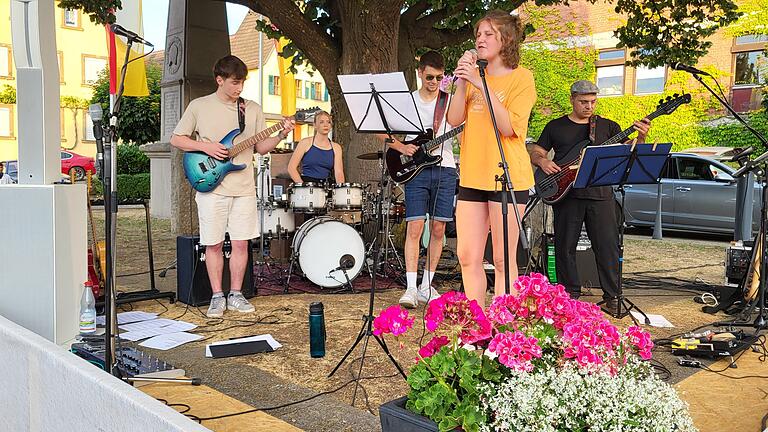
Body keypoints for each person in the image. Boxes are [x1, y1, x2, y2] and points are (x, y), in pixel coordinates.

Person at [171, 55, 294, 318]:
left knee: (241, 243)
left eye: (242, 83)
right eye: (235, 83)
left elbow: (261, 147)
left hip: (244, 187)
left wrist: (282, 134)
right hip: (211, 187)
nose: (239, 88)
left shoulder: (252, 109)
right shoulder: (199, 106)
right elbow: (177, 139)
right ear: (220, 80)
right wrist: (206, 147)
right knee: (213, 244)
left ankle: (236, 294)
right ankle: (217, 296)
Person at [530, 80, 651, 314]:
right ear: (572, 99)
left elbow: (629, 153)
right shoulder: (555, 126)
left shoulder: (608, 126)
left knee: (607, 246)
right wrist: (543, 161)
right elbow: (537, 150)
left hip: (601, 194)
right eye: (583, 102)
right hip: (566, 194)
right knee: (565, 246)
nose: (589, 107)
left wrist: (642, 137)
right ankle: (568, 294)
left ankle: (612, 295)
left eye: (593, 102)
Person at [447, 10, 537, 307]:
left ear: (506, 39)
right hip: (472, 175)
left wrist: (481, 84)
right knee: (467, 255)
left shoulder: (521, 78)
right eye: (478, 34)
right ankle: (478, 325)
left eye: (488, 34)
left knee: (501, 258)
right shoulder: (473, 79)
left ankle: (503, 329)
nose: (480, 39)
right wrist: (462, 82)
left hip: (507, 176)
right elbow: (453, 119)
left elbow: (509, 127)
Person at [384, 50, 457, 308]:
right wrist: (402, 148)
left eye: (439, 77)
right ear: (419, 73)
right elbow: (382, 134)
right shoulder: (407, 102)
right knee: (415, 228)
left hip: (445, 168)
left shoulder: (449, 102)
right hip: (416, 170)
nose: (434, 82)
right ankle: (411, 287)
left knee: (438, 229)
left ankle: (428, 284)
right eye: (429, 76)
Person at [287, 110, 344, 185]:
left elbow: (339, 173)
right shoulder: (305, 143)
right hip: (307, 184)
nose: (325, 125)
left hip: (326, 186)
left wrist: (341, 191)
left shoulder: (336, 147)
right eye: (321, 122)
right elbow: (291, 168)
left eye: (328, 122)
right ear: (315, 125)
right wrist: (302, 186)